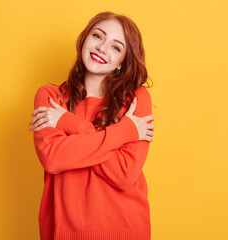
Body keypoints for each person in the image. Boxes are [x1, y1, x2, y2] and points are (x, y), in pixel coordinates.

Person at [29, 11, 155, 240]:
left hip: (127, 228)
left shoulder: (136, 99)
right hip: (65, 230)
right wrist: (124, 131)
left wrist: (69, 123)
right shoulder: (50, 98)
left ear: (122, 63)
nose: (102, 48)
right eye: (98, 36)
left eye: (116, 47)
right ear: (84, 39)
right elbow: (53, 159)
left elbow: (124, 174)